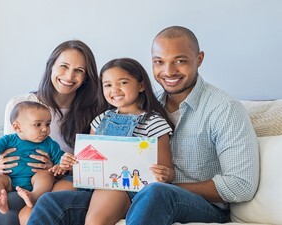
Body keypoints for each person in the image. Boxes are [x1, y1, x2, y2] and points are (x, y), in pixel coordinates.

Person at [27, 26, 260, 225]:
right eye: (160, 62)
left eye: (180, 61)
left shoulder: (224, 109)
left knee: (155, 192)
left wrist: (154, 188)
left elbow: (240, 186)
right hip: (131, 192)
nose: (168, 71)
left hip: (200, 205)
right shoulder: (146, 105)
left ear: (199, 59)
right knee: (51, 203)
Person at [0, 40, 104, 225]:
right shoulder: (21, 104)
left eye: (79, 70)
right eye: (64, 66)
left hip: (54, 179)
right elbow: (9, 144)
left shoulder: (94, 110)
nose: (69, 76)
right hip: (16, 174)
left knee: (9, 209)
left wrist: (57, 166)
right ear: (51, 66)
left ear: (86, 77)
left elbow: (90, 160)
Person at [58, 58, 174, 225]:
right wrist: (71, 163)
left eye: (123, 82)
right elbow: (86, 158)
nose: (115, 89)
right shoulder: (100, 120)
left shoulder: (153, 123)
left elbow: (168, 172)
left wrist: (164, 174)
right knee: (52, 197)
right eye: (108, 85)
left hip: (126, 188)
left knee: (95, 220)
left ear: (141, 86)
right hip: (92, 182)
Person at [0, 101, 65, 217]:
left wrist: (59, 166)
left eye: (47, 124)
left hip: (35, 182)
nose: (45, 129)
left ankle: (34, 196)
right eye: (38, 125)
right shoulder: (8, 140)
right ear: (17, 127)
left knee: (46, 175)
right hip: (9, 180)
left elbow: (60, 159)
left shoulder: (50, 143)